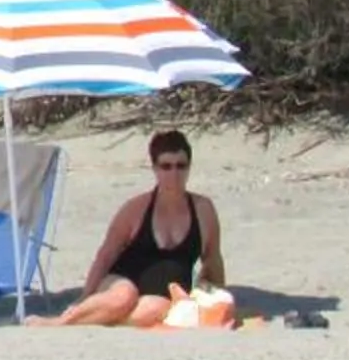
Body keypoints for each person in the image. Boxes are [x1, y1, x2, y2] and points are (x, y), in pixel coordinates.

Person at [31, 129, 226, 328]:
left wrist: (220, 300)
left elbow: (212, 259)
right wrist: (85, 296)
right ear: (155, 169)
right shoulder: (136, 209)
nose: (174, 174)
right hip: (122, 281)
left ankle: (103, 316)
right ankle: (62, 321)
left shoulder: (203, 210)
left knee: (158, 308)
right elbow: (105, 256)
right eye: (166, 166)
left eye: (180, 166)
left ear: (189, 167)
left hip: (161, 297)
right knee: (124, 297)